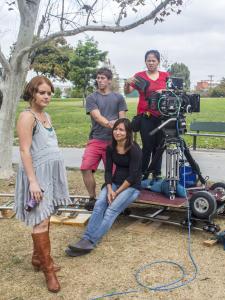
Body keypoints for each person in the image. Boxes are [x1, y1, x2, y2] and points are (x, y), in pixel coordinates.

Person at [14, 76, 71, 293]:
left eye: (49, 93)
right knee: (40, 221)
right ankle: (49, 271)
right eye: (42, 92)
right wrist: (33, 182)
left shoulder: (45, 115)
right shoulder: (27, 117)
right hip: (37, 176)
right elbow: (24, 150)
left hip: (50, 175)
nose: (46, 96)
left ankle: (38, 258)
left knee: (45, 217)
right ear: (32, 93)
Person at [66, 118, 142, 256]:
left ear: (128, 132)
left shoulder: (134, 149)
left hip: (131, 187)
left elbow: (132, 176)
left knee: (111, 211)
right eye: (116, 129)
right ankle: (85, 238)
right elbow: (108, 171)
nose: (117, 132)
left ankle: (90, 242)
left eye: (121, 130)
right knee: (100, 204)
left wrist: (116, 192)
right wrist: (109, 189)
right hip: (114, 183)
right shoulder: (110, 147)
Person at [81, 67, 127, 211]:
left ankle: (117, 200)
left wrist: (118, 130)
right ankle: (92, 198)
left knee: (115, 174)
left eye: (103, 78)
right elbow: (97, 116)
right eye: (98, 78)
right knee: (85, 168)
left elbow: (123, 119)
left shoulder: (119, 98)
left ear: (109, 80)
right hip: (96, 139)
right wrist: (112, 124)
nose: (99, 80)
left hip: (114, 142)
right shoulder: (92, 98)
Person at [124, 50, 169, 180]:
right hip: (145, 115)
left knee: (159, 147)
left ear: (158, 62)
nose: (151, 63)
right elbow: (127, 92)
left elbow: (173, 91)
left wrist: (164, 90)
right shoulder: (139, 76)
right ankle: (143, 173)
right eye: (148, 60)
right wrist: (127, 82)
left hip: (162, 116)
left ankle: (157, 173)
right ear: (145, 62)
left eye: (153, 60)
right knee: (147, 146)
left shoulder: (165, 75)